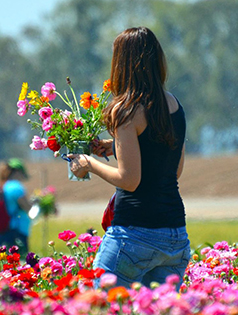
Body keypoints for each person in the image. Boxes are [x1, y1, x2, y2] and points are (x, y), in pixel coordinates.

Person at [68, 26, 190, 288]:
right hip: (175, 236)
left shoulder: (125, 109)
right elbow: (173, 168)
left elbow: (130, 179)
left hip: (134, 235)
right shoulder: (174, 106)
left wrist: (89, 163)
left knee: (97, 309)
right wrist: (116, 146)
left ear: (122, 64)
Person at [0, 158, 33, 255]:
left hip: (4, 229)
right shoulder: (16, 187)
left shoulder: (4, 185)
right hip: (17, 230)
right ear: (17, 172)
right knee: (20, 262)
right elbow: (27, 207)